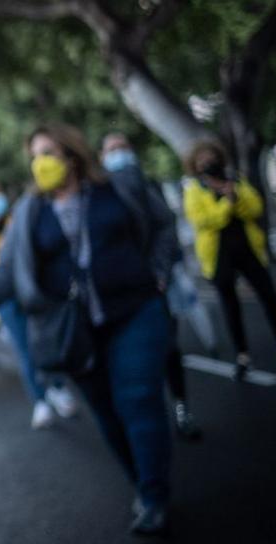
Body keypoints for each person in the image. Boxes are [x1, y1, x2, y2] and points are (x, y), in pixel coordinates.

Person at [0, 124, 177, 536]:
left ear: (72, 155)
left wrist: (160, 271)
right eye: (35, 155)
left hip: (135, 311)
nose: (42, 163)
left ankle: (155, 495)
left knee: (138, 399)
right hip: (74, 330)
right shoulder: (30, 213)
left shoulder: (119, 188)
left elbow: (163, 225)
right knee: (108, 415)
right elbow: (8, 271)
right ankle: (142, 487)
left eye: (49, 152)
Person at [102, 133, 202, 440]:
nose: (118, 154)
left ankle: (181, 409)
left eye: (122, 147)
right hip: (119, 294)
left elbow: (165, 227)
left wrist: (159, 271)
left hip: (153, 287)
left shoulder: (147, 185)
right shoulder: (97, 193)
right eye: (111, 149)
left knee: (169, 350)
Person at [182, 140, 276, 377]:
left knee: (268, 295)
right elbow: (203, 220)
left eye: (211, 158)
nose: (208, 163)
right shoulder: (194, 190)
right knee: (230, 306)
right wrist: (227, 203)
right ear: (195, 166)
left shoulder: (235, 180)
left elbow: (255, 207)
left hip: (247, 250)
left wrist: (234, 195)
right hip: (218, 257)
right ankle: (243, 355)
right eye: (202, 161)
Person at [0, 183, 76, 429]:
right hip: (6, 296)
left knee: (47, 340)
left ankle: (58, 388)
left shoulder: (19, 218)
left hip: (31, 289)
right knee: (25, 349)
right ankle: (41, 401)